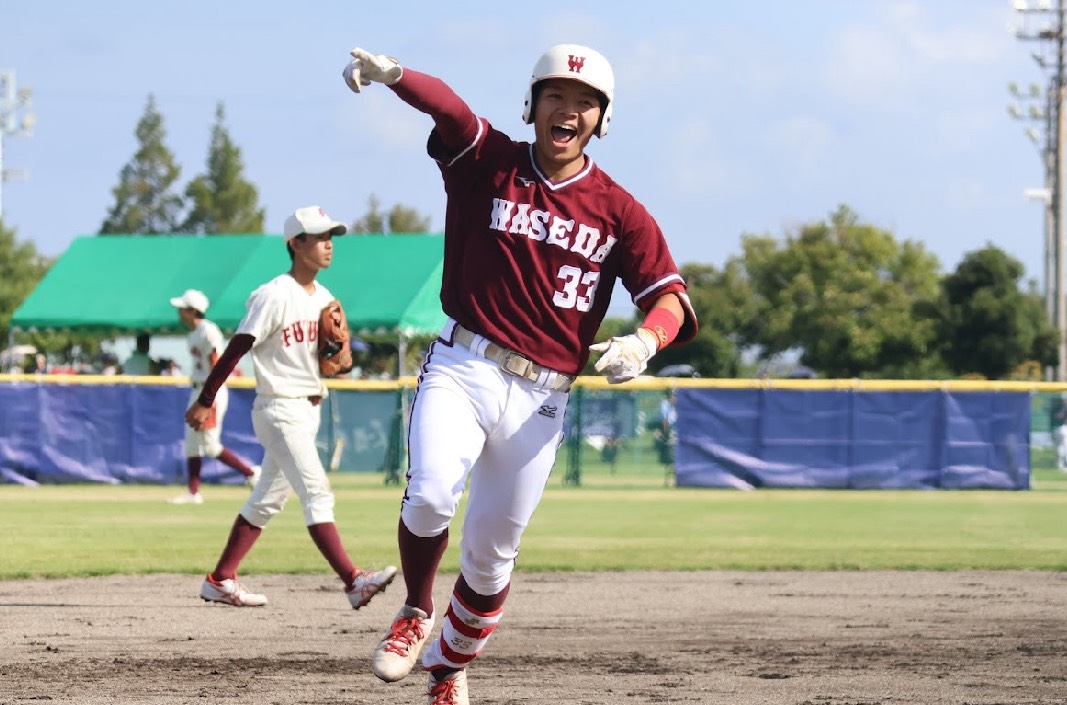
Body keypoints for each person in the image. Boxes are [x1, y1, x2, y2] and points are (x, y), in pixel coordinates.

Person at [341, 43, 698, 704]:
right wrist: (396, 77)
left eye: (585, 101)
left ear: (602, 118)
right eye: (555, 95)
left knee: (490, 555)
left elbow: (668, 298)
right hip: (463, 362)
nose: (568, 109)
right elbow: (448, 107)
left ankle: (447, 667)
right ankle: (416, 611)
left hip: (543, 396)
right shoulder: (490, 162)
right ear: (532, 104)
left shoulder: (620, 211)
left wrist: (646, 341)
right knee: (428, 494)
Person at [183, 205, 398, 610]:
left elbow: (328, 356)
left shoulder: (326, 298)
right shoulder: (273, 295)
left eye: (331, 237)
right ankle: (354, 581)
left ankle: (220, 579)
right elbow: (236, 350)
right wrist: (205, 399)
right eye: (319, 238)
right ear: (295, 244)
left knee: (267, 499)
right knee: (316, 491)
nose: (328, 246)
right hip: (280, 408)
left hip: (308, 408)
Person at [167, 288, 260, 505]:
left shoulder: (208, 331)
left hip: (211, 392)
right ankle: (193, 492)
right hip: (197, 388)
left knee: (209, 445)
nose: (179, 312)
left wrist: (210, 398)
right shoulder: (193, 333)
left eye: (182, 308)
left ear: (192, 311)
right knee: (191, 442)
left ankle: (251, 473)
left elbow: (216, 363)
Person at [656, 389, 678, 486]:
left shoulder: (675, 406)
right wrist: (666, 433)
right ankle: (668, 480)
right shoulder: (665, 405)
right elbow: (665, 421)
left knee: (675, 459)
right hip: (670, 434)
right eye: (673, 396)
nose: (675, 399)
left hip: (677, 433)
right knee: (670, 458)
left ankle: (673, 479)